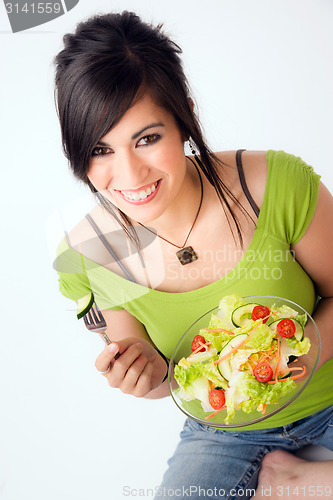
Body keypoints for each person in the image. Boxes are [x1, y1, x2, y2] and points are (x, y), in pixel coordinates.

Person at [53, 11, 333, 499]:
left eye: (147, 139)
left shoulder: (274, 186)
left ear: (183, 115)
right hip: (222, 430)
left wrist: (306, 348)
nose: (131, 175)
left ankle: (299, 481)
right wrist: (147, 375)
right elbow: (166, 379)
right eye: (101, 150)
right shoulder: (92, 252)